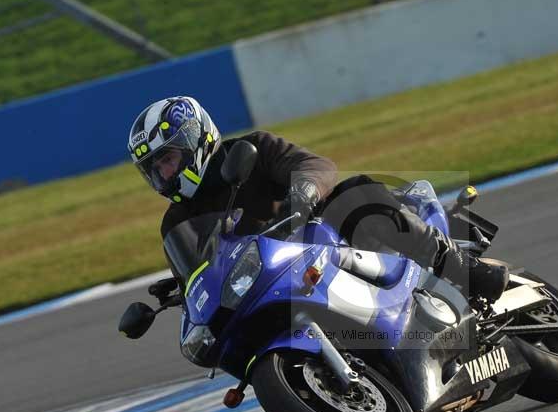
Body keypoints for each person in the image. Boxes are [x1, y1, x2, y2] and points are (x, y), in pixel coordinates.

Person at [127, 96, 508, 301]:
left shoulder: (252, 148)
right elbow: (199, 273)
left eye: (168, 159)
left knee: (353, 195)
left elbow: (315, 165)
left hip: (327, 239)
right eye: (154, 169)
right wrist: (182, 291)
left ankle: (460, 269)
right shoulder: (176, 223)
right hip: (278, 286)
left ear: (196, 140)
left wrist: (305, 192)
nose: (164, 174)